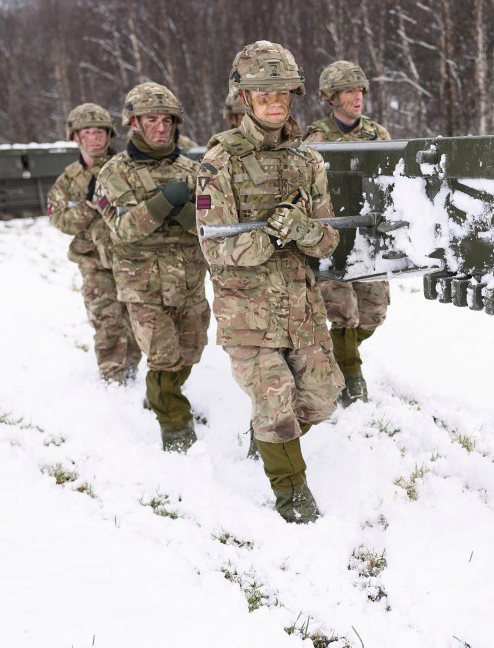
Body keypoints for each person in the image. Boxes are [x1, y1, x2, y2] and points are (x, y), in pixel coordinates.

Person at [197, 41, 344, 524]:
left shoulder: (309, 161)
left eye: (283, 92)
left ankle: (265, 430)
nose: (275, 102)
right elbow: (216, 250)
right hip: (248, 314)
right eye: (264, 94)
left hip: (301, 308)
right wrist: (273, 236)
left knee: (322, 400)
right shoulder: (219, 164)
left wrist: (304, 231)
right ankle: (291, 490)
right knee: (278, 404)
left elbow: (327, 242)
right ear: (246, 98)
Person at [94, 82, 209, 453]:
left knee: (191, 350)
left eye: (167, 120)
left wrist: (185, 212)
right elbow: (124, 229)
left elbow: (212, 225)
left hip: (189, 281)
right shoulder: (114, 173)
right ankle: (175, 426)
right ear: (134, 124)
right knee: (162, 356)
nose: (161, 127)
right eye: (151, 120)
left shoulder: (194, 169)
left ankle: (164, 392)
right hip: (142, 285)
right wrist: (163, 204)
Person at [303, 60, 391, 406]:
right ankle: (350, 376)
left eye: (359, 90)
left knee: (374, 313)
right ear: (331, 97)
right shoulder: (316, 138)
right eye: (348, 91)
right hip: (333, 237)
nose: (357, 97)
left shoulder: (376, 134)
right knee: (342, 312)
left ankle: (336, 353)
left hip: (368, 237)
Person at [47, 103, 142, 384]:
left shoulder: (126, 168)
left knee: (135, 320)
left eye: (100, 131)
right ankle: (113, 378)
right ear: (75, 137)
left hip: (130, 258)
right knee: (106, 322)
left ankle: (133, 371)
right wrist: (89, 206)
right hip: (93, 264)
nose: (95, 137)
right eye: (88, 132)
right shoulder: (68, 180)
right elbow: (59, 219)